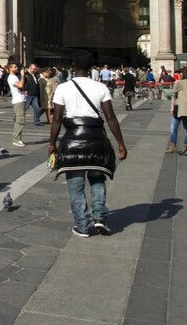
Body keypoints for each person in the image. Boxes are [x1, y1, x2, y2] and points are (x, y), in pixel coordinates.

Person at [49, 49, 128, 238]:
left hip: (72, 141)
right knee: (98, 179)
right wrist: (120, 144)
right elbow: (110, 117)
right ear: (92, 66)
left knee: (76, 187)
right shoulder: (101, 88)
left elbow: (57, 119)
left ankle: (83, 226)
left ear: (72, 66)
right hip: (96, 141)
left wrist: (52, 143)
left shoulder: (63, 88)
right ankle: (99, 216)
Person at [7, 59, 26, 147]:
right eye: (15, 67)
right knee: (20, 120)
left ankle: (18, 138)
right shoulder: (11, 77)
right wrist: (22, 75)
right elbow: (20, 85)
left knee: (19, 119)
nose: (16, 68)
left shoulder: (14, 77)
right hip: (18, 101)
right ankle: (16, 139)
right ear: (10, 68)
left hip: (21, 99)